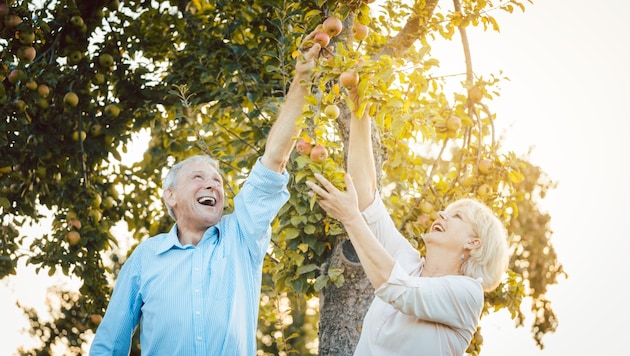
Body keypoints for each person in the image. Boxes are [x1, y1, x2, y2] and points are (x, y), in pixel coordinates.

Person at [89, 34, 324, 355]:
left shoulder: (241, 235)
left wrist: (302, 78)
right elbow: (108, 345)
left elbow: (273, 159)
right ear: (170, 196)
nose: (212, 184)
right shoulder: (146, 257)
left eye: (217, 181)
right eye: (198, 177)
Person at [306, 88, 510, 356]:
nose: (441, 215)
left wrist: (349, 217)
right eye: (445, 212)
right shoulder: (407, 261)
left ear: (473, 242)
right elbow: (366, 198)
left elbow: (398, 289)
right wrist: (359, 110)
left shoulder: (467, 293)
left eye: (456, 216)